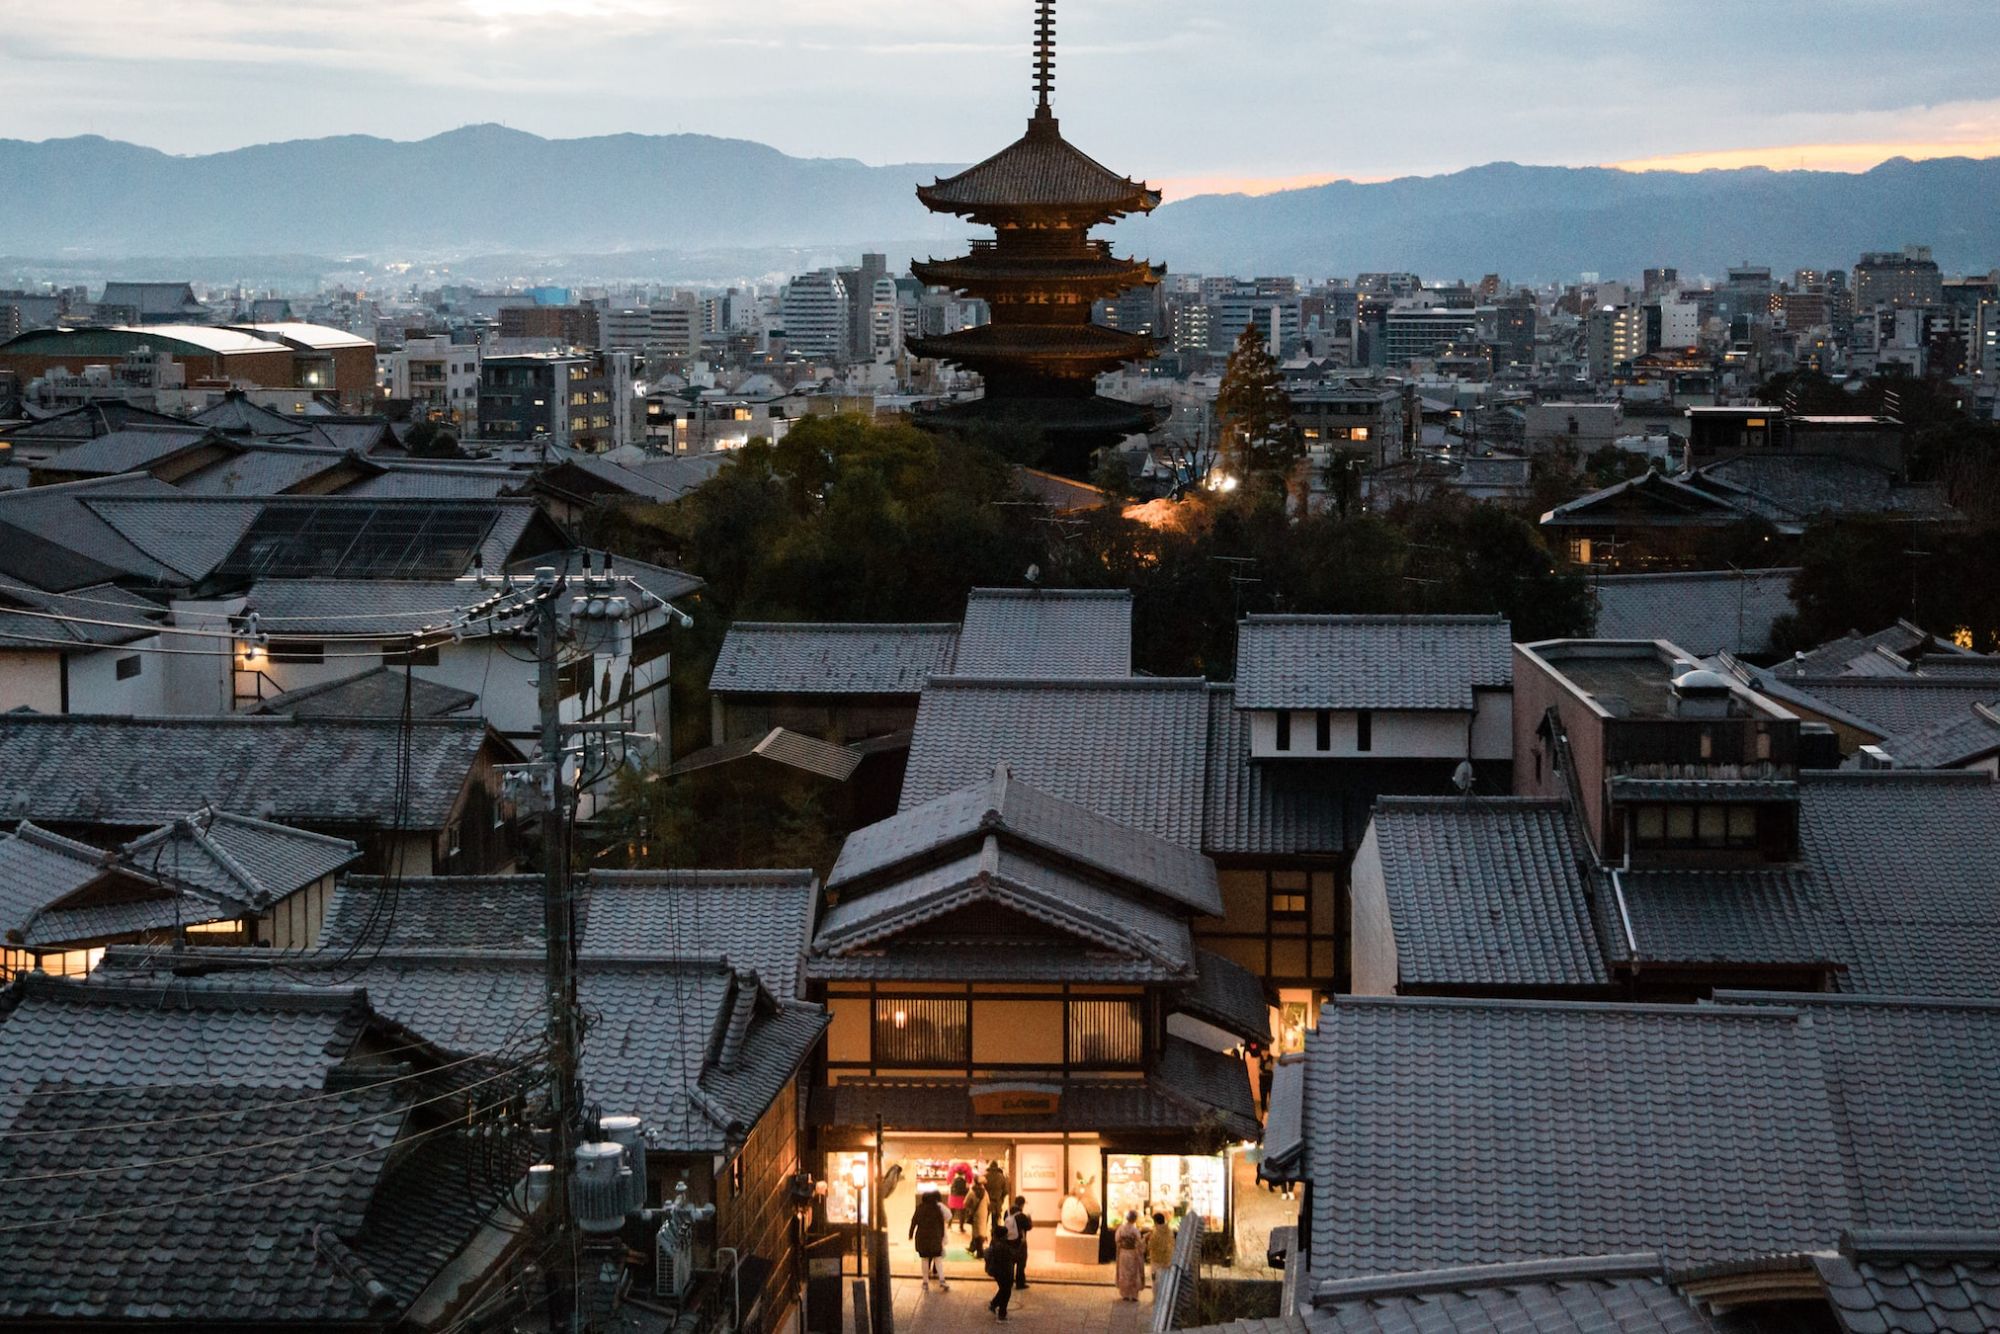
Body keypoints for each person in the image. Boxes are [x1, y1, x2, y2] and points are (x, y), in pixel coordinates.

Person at [908, 1188, 950, 1292]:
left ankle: (925, 1282)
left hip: (922, 1238)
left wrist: (911, 1234)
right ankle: (942, 1280)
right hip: (935, 1238)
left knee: (925, 1259)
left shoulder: (920, 1208)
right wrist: (941, 1236)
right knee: (938, 1259)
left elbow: (914, 1222)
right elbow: (941, 1224)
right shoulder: (937, 1209)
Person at [983, 1226, 1015, 1320]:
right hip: (1004, 1272)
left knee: (1003, 1290)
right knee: (1006, 1292)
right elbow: (1012, 1256)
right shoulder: (1002, 1246)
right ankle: (1002, 1313)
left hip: (998, 1272)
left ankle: (994, 1304)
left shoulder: (995, 1242)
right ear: (1003, 1236)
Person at [1114, 1210, 1144, 1301]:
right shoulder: (1135, 1230)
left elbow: (1117, 1239)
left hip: (1123, 1252)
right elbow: (1139, 1242)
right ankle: (1134, 1295)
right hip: (1133, 1253)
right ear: (1135, 1219)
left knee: (1124, 1272)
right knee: (1133, 1273)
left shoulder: (1121, 1229)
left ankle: (1125, 1294)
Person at [1145, 1212, 1175, 1298]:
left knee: (1156, 1279)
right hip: (1168, 1259)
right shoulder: (1170, 1230)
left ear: (1155, 1221)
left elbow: (1151, 1246)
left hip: (1156, 1260)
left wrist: (1147, 1239)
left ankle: (1157, 1297)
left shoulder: (1155, 1233)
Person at [1006, 1196, 1033, 1289]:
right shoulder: (1022, 1216)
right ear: (1022, 1204)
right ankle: (1020, 1282)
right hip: (1020, 1242)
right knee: (1021, 1263)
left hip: (1009, 1241)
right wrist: (1029, 1218)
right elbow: (1028, 1227)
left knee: (1010, 1262)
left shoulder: (1007, 1212)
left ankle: (1008, 1282)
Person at [967, 1182, 989, 1257]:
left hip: (975, 1214)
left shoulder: (972, 1192)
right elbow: (988, 1203)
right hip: (983, 1213)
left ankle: (980, 1252)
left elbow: (965, 1203)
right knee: (981, 1232)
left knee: (976, 1232)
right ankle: (974, 1248)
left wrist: (970, 1208)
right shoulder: (985, 1192)